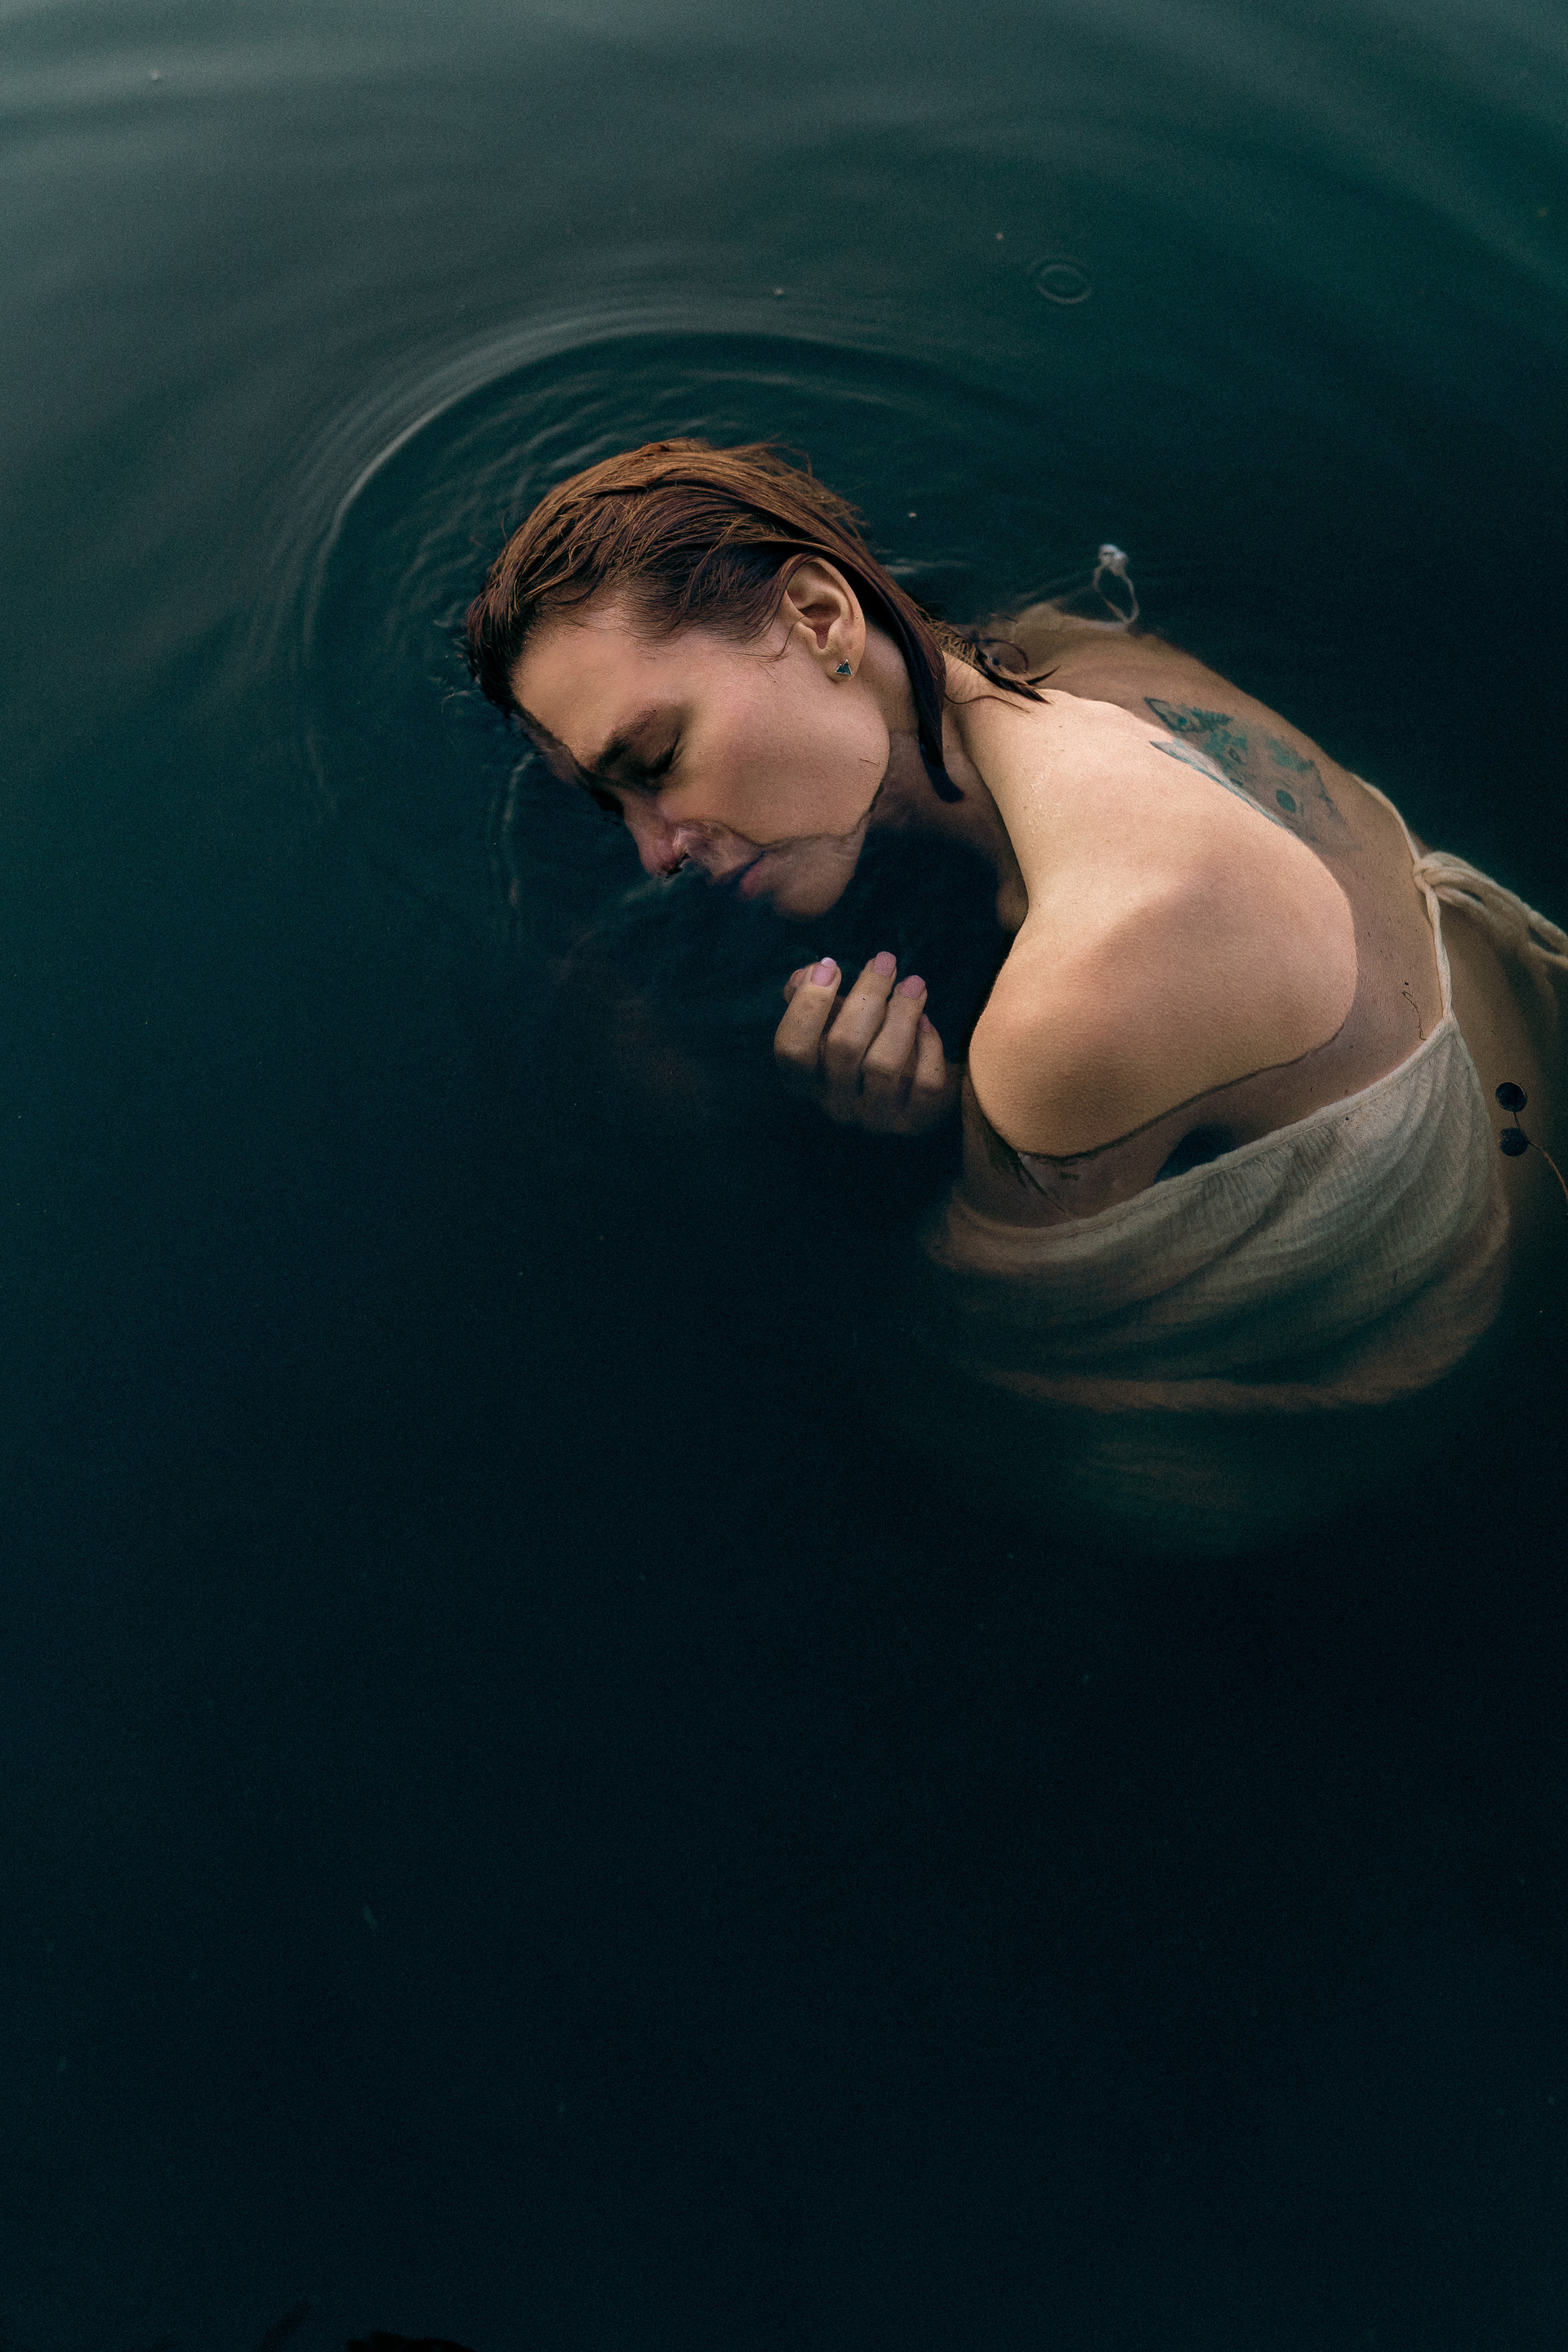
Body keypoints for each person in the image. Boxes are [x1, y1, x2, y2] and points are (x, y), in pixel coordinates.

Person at [466, 439, 1567, 1546]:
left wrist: (856, 1136)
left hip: (1422, 1334)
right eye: (613, 807)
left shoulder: (1083, 987)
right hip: (1513, 1032)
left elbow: (964, 1369)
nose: (654, 852)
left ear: (819, 616)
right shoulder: (1070, 649)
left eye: (657, 761)